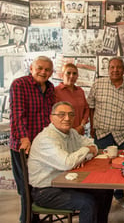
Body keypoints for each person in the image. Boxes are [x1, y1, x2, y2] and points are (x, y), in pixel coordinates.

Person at [28, 101, 113, 223]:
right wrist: (84, 152)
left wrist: (83, 155)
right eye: (61, 114)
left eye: (71, 115)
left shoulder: (71, 132)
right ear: (51, 118)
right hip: (46, 190)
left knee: (105, 190)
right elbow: (67, 163)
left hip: (66, 183)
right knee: (87, 203)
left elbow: (93, 145)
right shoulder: (46, 138)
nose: (67, 118)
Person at [9, 55, 55, 223]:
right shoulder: (19, 84)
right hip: (24, 146)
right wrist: (24, 139)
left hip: (42, 146)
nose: (43, 72)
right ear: (31, 68)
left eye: (47, 69)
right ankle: (27, 219)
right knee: (26, 187)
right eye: (40, 68)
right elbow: (17, 115)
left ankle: (34, 217)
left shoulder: (50, 88)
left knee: (39, 183)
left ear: (51, 72)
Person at [87, 57, 124, 206]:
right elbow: (91, 107)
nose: (115, 70)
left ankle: (120, 195)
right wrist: (93, 126)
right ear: (108, 69)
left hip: (123, 134)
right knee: (102, 167)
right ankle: (102, 197)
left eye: (119, 67)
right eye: (112, 67)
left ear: (123, 69)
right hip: (102, 133)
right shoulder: (98, 84)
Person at [55, 63, 89, 135]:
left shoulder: (80, 91)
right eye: (68, 73)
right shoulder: (55, 91)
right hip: (63, 133)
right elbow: (55, 114)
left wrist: (81, 126)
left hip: (79, 132)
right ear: (62, 75)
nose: (71, 76)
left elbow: (86, 109)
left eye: (74, 74)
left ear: (77, 76)